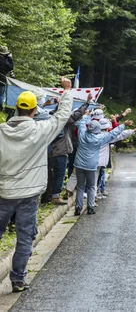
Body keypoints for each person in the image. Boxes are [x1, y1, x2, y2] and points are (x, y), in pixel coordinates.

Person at [0, 77, 73, 292]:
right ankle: (18, 279)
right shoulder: (40, 131)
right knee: (24, 238)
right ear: (33, 110)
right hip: (29, 195)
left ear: (16, 108)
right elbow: (61, 116)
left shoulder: (2, 132)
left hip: (3, 192)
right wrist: (67, 91)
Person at [47, 93, 92, 205]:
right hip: (61, 150)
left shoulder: (50, 117)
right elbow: (76, 114)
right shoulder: (62, 120)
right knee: (59, 175)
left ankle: (48, 196)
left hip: (51, 150)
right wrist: (86, 103)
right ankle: (55, 196)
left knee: (51, 175)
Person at [73, 116, 125, 215]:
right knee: (91, 187)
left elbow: (81, 124)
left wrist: (85, 115)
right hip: (91, 166)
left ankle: (78, 208)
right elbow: (112, 133)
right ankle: (90, 207)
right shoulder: (100, 138)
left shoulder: (82, 134)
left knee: (80, 186)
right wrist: (123, 125)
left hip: (79, 164)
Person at [96, 118, 136, 200]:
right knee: (97, 179)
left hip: (90, 161)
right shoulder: (107, 137)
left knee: (93, 181)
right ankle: (94, 197)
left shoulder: (91, 135)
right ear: (107, 127)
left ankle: (94, 196)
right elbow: (119, 135)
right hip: (100, 162)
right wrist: (131, 129)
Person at [0, 45, 14, 111]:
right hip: (1, 80)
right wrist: (10, 58)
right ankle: (0, 107)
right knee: (1, 94)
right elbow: (10, 67)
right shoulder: (5, 61)